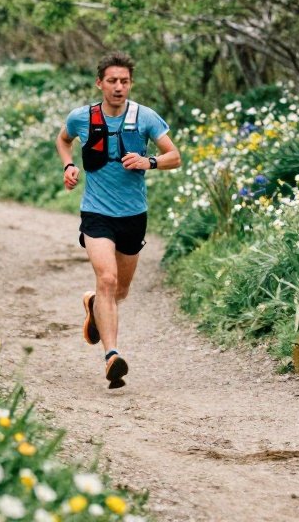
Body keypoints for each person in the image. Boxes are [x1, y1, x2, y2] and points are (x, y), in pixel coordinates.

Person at [55, 52, 180, 388]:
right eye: (112, 80)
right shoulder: (82, 117)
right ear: (100, 83)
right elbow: (63, 140)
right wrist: (68, 166)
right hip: (96, 213)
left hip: (133, 215)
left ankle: (94, 305)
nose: (119, 86)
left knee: (119, 290)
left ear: (130, 84)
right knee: (107, 279)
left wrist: (148, 162)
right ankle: (112, 356)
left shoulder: (146, 117)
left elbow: (175, 156)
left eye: (124, 81)